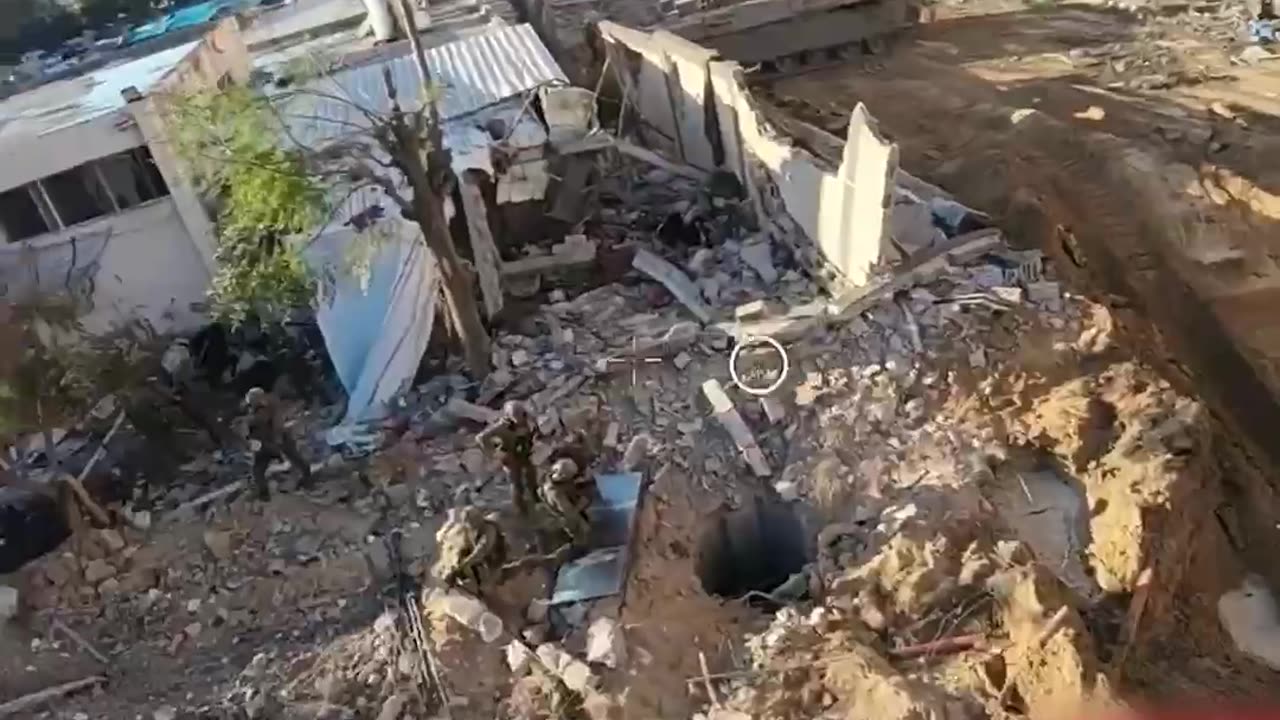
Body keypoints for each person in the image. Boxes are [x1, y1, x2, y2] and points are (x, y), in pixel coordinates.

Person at [243, 387, 312, 501]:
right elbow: (252, 430)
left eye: (253, 400)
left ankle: (308, 480)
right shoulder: (255, 411)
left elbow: (275, 423)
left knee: (296, 459)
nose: (252, 403)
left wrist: (277, 439)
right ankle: (264, 494)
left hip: (278, 440)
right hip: (265, 444)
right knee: (258, 470)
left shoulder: (269, 407)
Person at [476, 401, 537, 518]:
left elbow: (534, 429)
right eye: (515, 415)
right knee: (516, 484)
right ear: (508, 416)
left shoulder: (529, 418)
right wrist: (496, 454)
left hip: (525, 453)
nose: (518, 418)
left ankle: (536, 495)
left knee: (531, 474)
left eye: (520, 414)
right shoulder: (502, 426)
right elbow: (480, 438)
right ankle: (521, 510)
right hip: (511, 456)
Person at [431, 505, 506, 592]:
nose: (469, 526)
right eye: (468, 524)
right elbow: (462, 540)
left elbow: (481, 551)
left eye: (471, 523)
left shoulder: (489, 531)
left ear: (478, 520)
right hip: (477, 556)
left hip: (494, 558)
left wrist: (464, 564)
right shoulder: (471, 528)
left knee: (489, 586)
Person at [538, 457, 593, 547]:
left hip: (562, 516)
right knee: (581, 539)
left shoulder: (550, 479)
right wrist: (583, 503)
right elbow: (569, 513)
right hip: (566, 521)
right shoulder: (556, 493)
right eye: (571, 476)